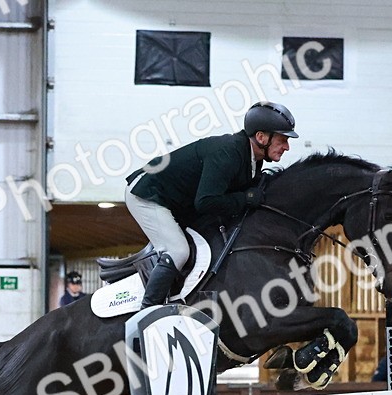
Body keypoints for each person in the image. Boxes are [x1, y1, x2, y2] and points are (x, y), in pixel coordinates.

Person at [124, 101, 298, 308]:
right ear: (261, 137)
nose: (287, 146)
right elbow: (205, 202)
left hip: (175, 202)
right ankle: (148, 310)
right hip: (148, 194)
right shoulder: (229, 152)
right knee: (178, 251)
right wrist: (246, 199)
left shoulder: (252, 160)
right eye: (282, 139)